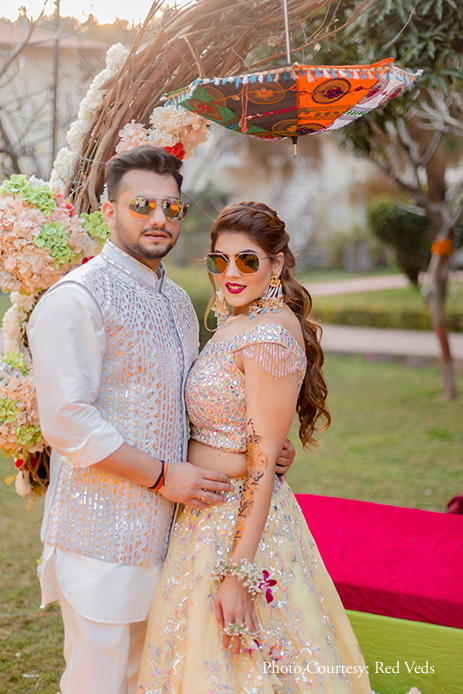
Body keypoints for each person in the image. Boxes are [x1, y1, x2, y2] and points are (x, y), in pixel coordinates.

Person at [27, 146, 295, 694]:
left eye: (172, 208)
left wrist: (248, 446)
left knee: (151, 679)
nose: (159, 218)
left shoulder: (175, 300)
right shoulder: (77, 298)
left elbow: (178, 402)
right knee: (100, 681)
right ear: (109, 211)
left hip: (177, 535)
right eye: (142, 205)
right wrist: (161, 476)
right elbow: (67, 420)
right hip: (102, 533)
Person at [138, 201, 372, 694]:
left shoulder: (269, 336)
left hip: (238, 526)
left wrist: (239, 574)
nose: (230, 273)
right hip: (205, 516)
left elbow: (263, 465)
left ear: (276, 262)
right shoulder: (241, 320)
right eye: (219, 260)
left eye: (247, 260)